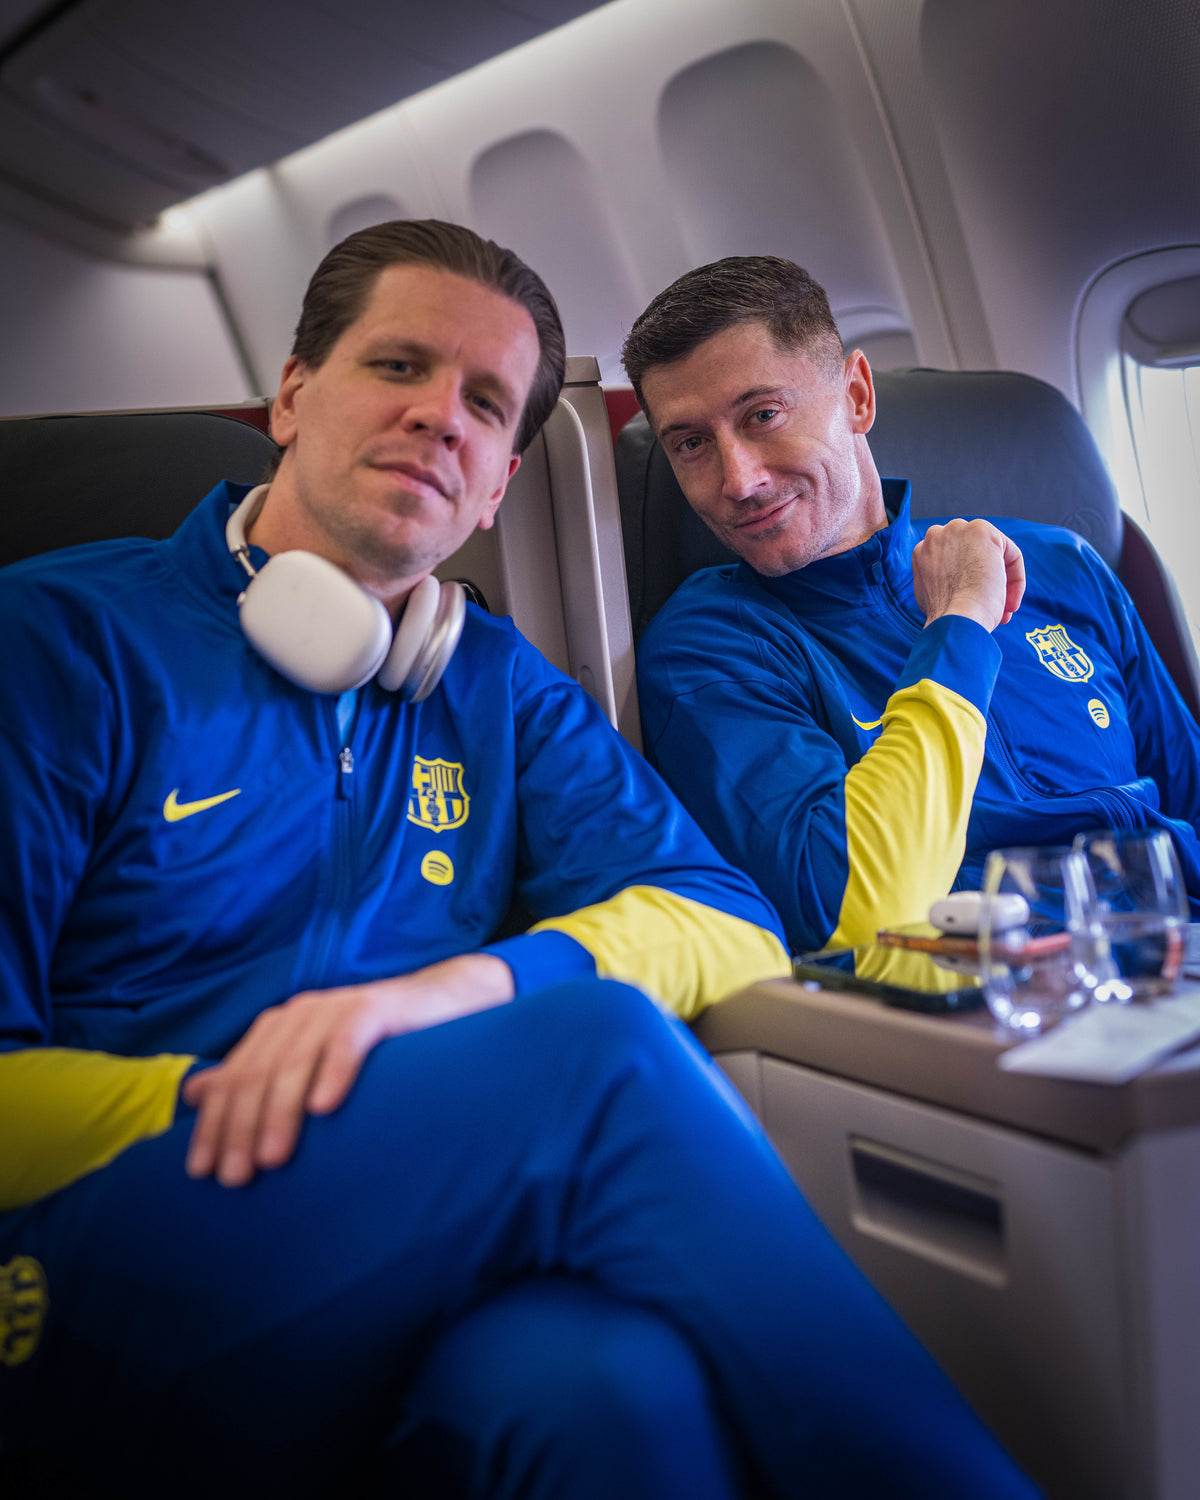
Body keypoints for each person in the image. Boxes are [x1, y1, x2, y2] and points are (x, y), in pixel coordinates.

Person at [0, 222, 1039, 1500]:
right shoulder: (54, 639)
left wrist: (457, 995)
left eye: (487, 404)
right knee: (592, 1053)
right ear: (291, 395)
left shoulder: (488, 685)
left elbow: (727, 920)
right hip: (76, 1258)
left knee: (609, 1391)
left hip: (387, 1242)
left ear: (497, 486)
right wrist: (277, 1097)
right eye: (399, 367)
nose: (442, 418)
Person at [624, 255, 1200, 956]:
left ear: (858, 397)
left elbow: (1188, 798)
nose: (738, 480)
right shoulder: (710, 649)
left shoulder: (1061, 566)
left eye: (764, 415)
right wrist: (959, 624)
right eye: (691, 444)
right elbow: (832, 903)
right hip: (1006, 998)